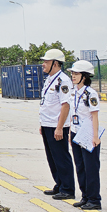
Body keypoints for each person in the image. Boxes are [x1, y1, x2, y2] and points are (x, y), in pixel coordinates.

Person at [38, 48, 76, 200]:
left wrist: (60, 127)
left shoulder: (63, 81)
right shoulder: (49, 79)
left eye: (46, 62)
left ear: (55, 63)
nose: (43, 64)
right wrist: (43, 124)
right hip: (48, 124)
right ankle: (59, 184)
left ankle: (67, 189)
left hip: (57, 126)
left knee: (61, 157)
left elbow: (65, 105)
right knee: (52, 157)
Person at [69, 60, 102, 210]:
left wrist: (95, 137)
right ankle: (85, 196)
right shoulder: (74, 92)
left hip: (88, 135)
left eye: (76, 74)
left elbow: (94, 116)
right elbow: (73, 114)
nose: (73, 76)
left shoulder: (90, 94)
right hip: (76, 134)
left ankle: (94, 199)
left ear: (85, 76)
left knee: (91, 168)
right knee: (80, 166)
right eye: (72, 73)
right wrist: (70, 133)